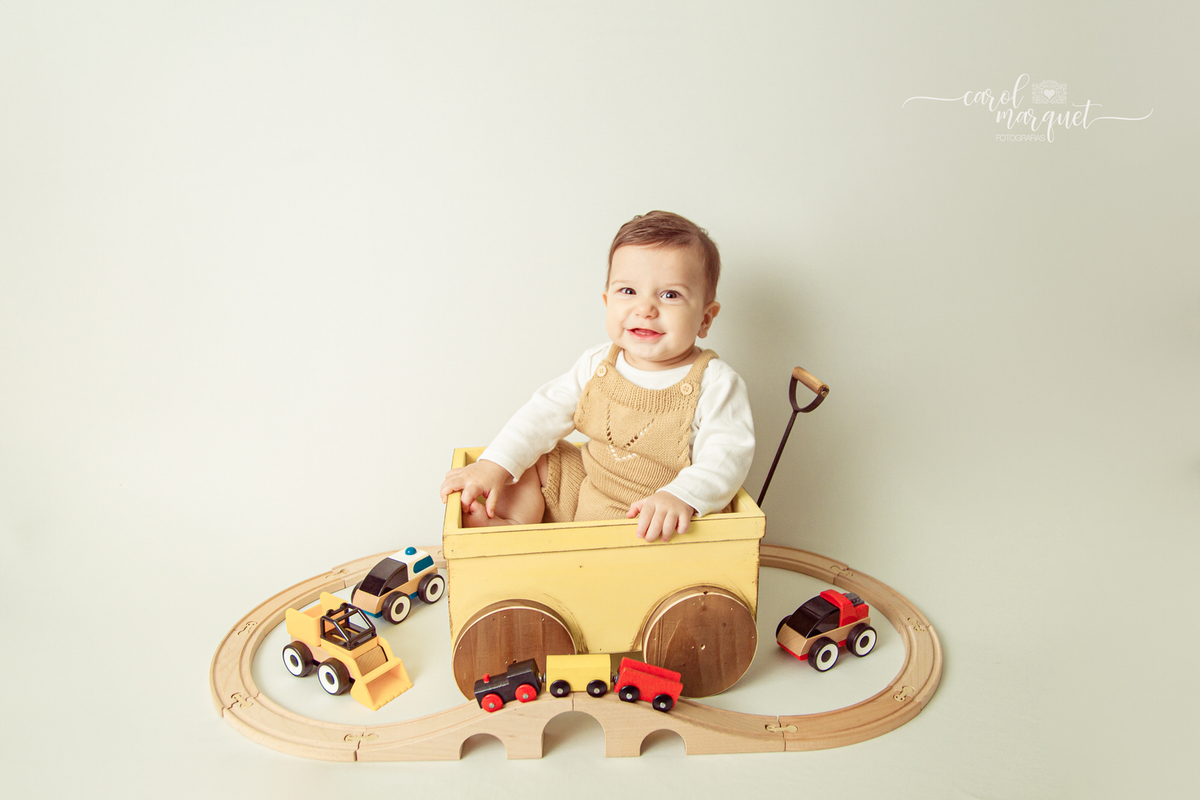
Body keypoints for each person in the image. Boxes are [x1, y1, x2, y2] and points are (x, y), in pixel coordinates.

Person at [439, 211, 754, 543]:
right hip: (585, 490)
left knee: (692, 505)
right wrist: (493, 465)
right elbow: (541, 414)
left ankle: (656, 515)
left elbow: (727, 455)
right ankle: (515, 529)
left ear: (706, 318)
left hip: (654, 518)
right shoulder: (597, 363)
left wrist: (683, 496)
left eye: (670, 295)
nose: (645, 308)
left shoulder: (715, 383)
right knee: (532, 454)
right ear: (607, 301)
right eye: (628, 291)